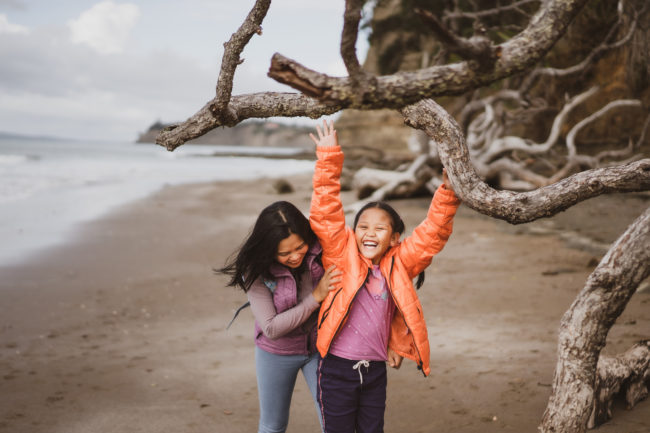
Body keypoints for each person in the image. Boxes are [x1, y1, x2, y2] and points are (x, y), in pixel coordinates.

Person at [308, 120, 461, 433]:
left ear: (394, 238)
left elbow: (432, 234)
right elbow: (325, 212)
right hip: (336, 368)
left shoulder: (400, 263)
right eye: (363, 226)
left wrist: (447, 193)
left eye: (379, 228)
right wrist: (328, 157)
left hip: (375, 370)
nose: (369, 233)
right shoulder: (342, 253)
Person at [218, 200, 341, 433]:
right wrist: (315, 298)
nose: (295, 257)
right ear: (268, 249)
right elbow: (271, 328)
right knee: (272, 426)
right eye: (284, 253)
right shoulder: (254, 271)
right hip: (275, 353)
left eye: (300, 247)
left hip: (321, 349)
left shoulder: (321, 251)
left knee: (334, 422)